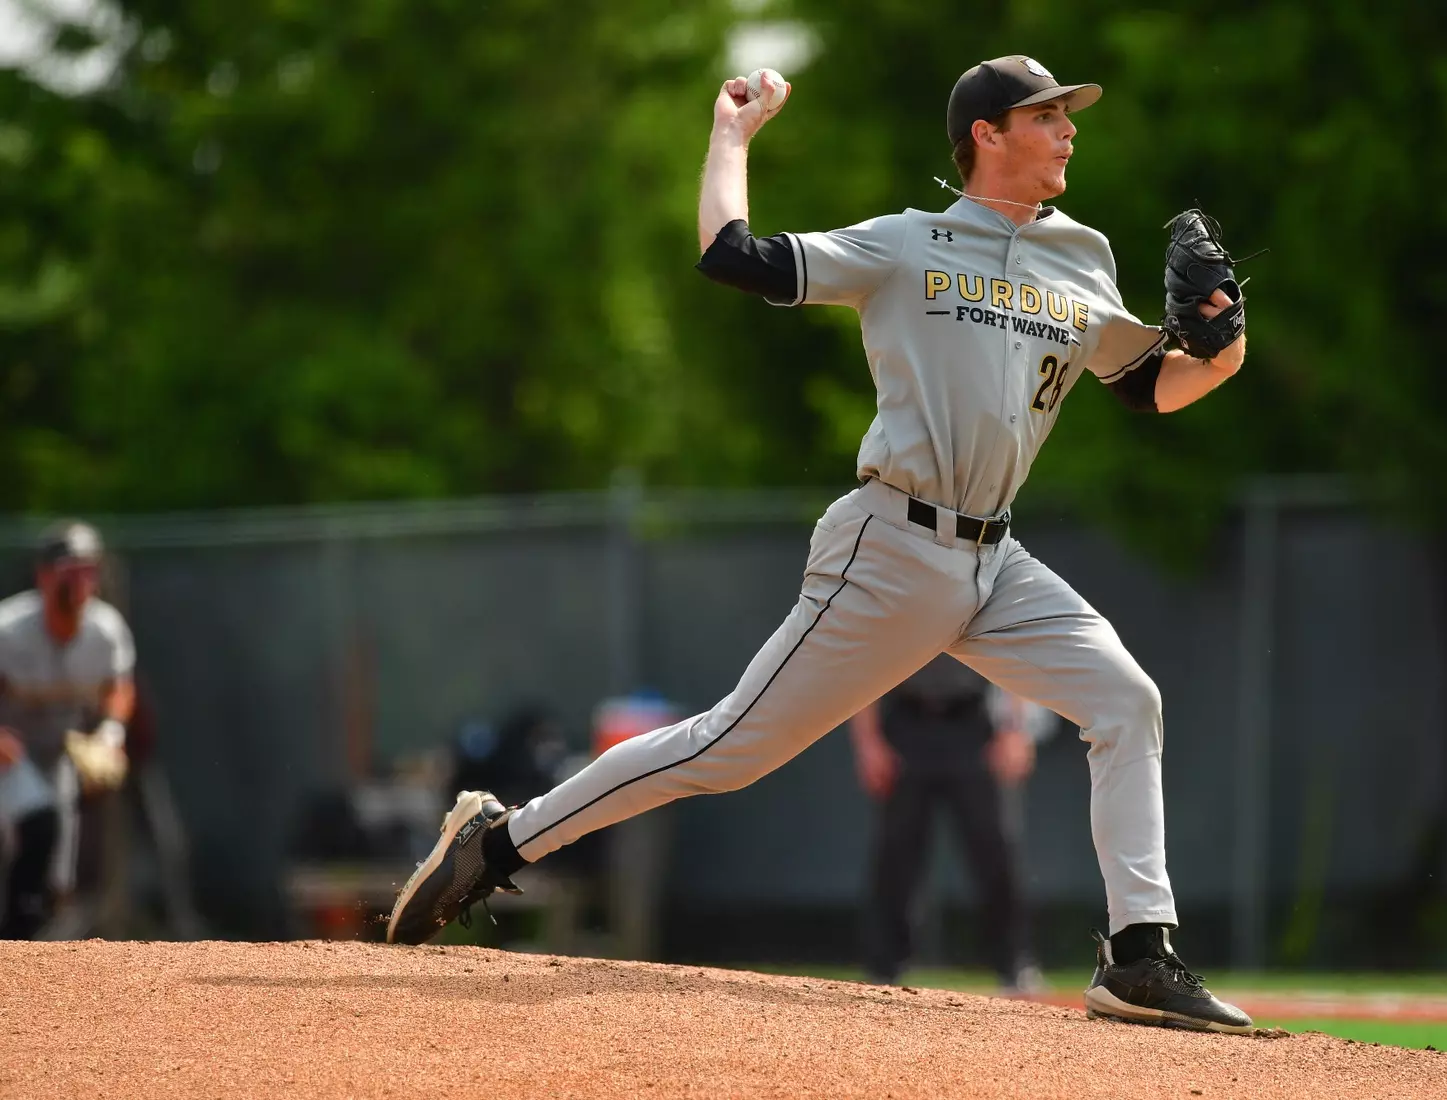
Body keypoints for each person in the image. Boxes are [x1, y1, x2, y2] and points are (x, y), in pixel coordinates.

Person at [388, 56, 1253, 1033]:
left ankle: (1141, 954)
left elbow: (1152, 384)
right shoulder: (907, 245)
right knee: (728, 747)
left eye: (1067, 115)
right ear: (987, 135)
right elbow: (733, 255)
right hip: (889, 545)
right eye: (1047, 115)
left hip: (995, 559)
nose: (1069, 129)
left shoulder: (1084, 256)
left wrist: (1223, 347)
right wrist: (733, 136)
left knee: (1126, 699)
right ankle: (500, 842)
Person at [851, 655, 1040, 992]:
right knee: (896, 850)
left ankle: (1014, 965)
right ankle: (884, 969)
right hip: (905, 725)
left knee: (995, 846)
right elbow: (865, 660)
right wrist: (868, 744)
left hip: (972, 724)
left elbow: (1013, 656)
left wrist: (1015, 730)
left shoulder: (977, 599)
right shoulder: (893, 601)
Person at [0, 520, 135, 939]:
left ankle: (30, 961)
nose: (81, 581)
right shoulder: (9, 630)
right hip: (8, 752)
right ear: (43, 576)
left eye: (88, 569)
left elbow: (119, 688)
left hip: (58, 753)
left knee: (56, 880)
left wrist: (110, 735)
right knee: (37, 828)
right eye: (69, 570)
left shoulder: (105, 630)